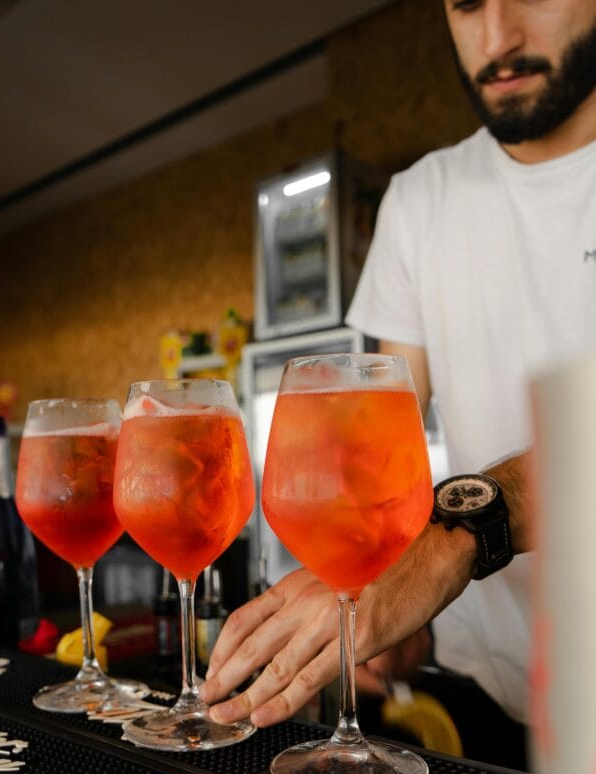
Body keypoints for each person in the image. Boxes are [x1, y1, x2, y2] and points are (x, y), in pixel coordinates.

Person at [201, 0, 596, 736]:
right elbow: (375, 449)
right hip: (497, 700)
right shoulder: (421, 199)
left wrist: (447, 547)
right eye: (467, 3)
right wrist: (374, 593)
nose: (497, 37)